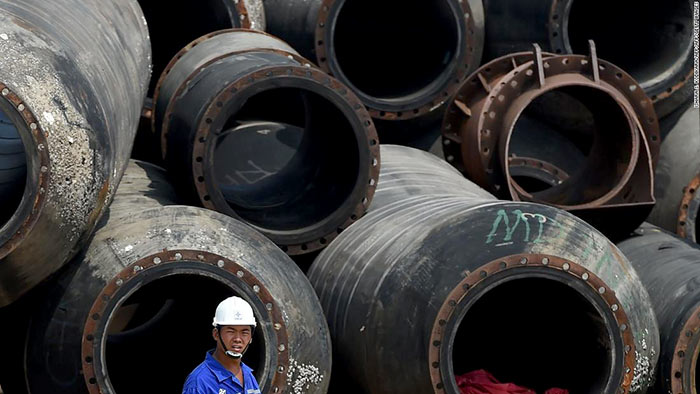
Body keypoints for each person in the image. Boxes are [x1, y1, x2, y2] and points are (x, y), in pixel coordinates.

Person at [182, 296, 261, 394]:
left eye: (244, 332)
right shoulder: (199, 381)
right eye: (231, 331)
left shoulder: (248, 375)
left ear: (251, 337)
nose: (237, 339)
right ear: (216, 334)